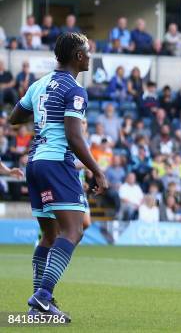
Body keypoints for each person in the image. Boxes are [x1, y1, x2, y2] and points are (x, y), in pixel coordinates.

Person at [9, 32, 108, 320]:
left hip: (35, 164)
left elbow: (15, 117)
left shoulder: (39, 84)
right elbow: (74, 137)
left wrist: (41, 112)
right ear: (78, 57)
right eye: (87, 52)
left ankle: (37, 307)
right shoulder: (75, 90)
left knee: (50, 235)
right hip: (56, 163)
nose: (90, 56)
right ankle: (42, 296)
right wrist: (97, 170)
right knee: (74, 231)